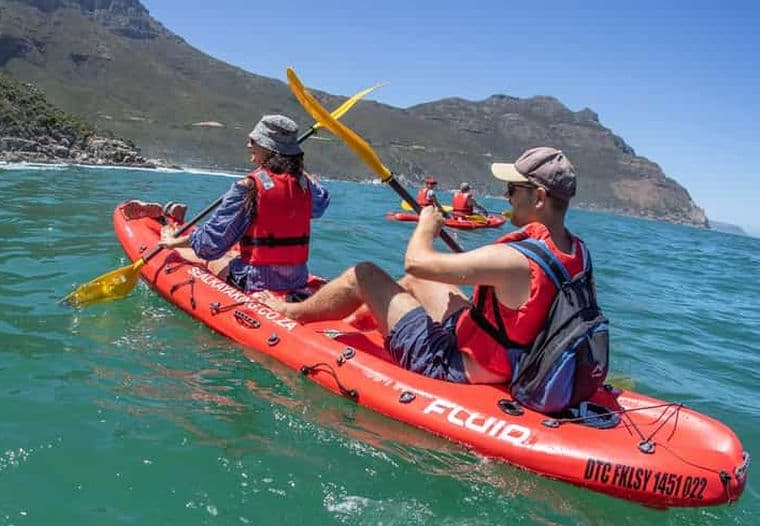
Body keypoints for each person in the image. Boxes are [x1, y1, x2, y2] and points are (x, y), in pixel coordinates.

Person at [261, 147, 588, 385]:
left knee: (365, 274)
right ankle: (353, 321)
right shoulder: (577, 252)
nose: (506, 196)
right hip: (504, 354)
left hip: (457, 364)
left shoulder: (514, 260)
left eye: (513, 190)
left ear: (540, 197)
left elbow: (416, 263)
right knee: (417, 284)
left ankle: (291, 313)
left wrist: (426, 227)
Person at [154, 114, 330, 293]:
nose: (248, 145)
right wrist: (295, 163)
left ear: (266, 147)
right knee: (236, 249)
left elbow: (210, 246)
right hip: (296, 279)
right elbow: (320, 204)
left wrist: (172, 243)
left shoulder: (248, 186)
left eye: (253, 140)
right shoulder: (305, 185)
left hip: (255, 281)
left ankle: (173, 234)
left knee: (204, 257)